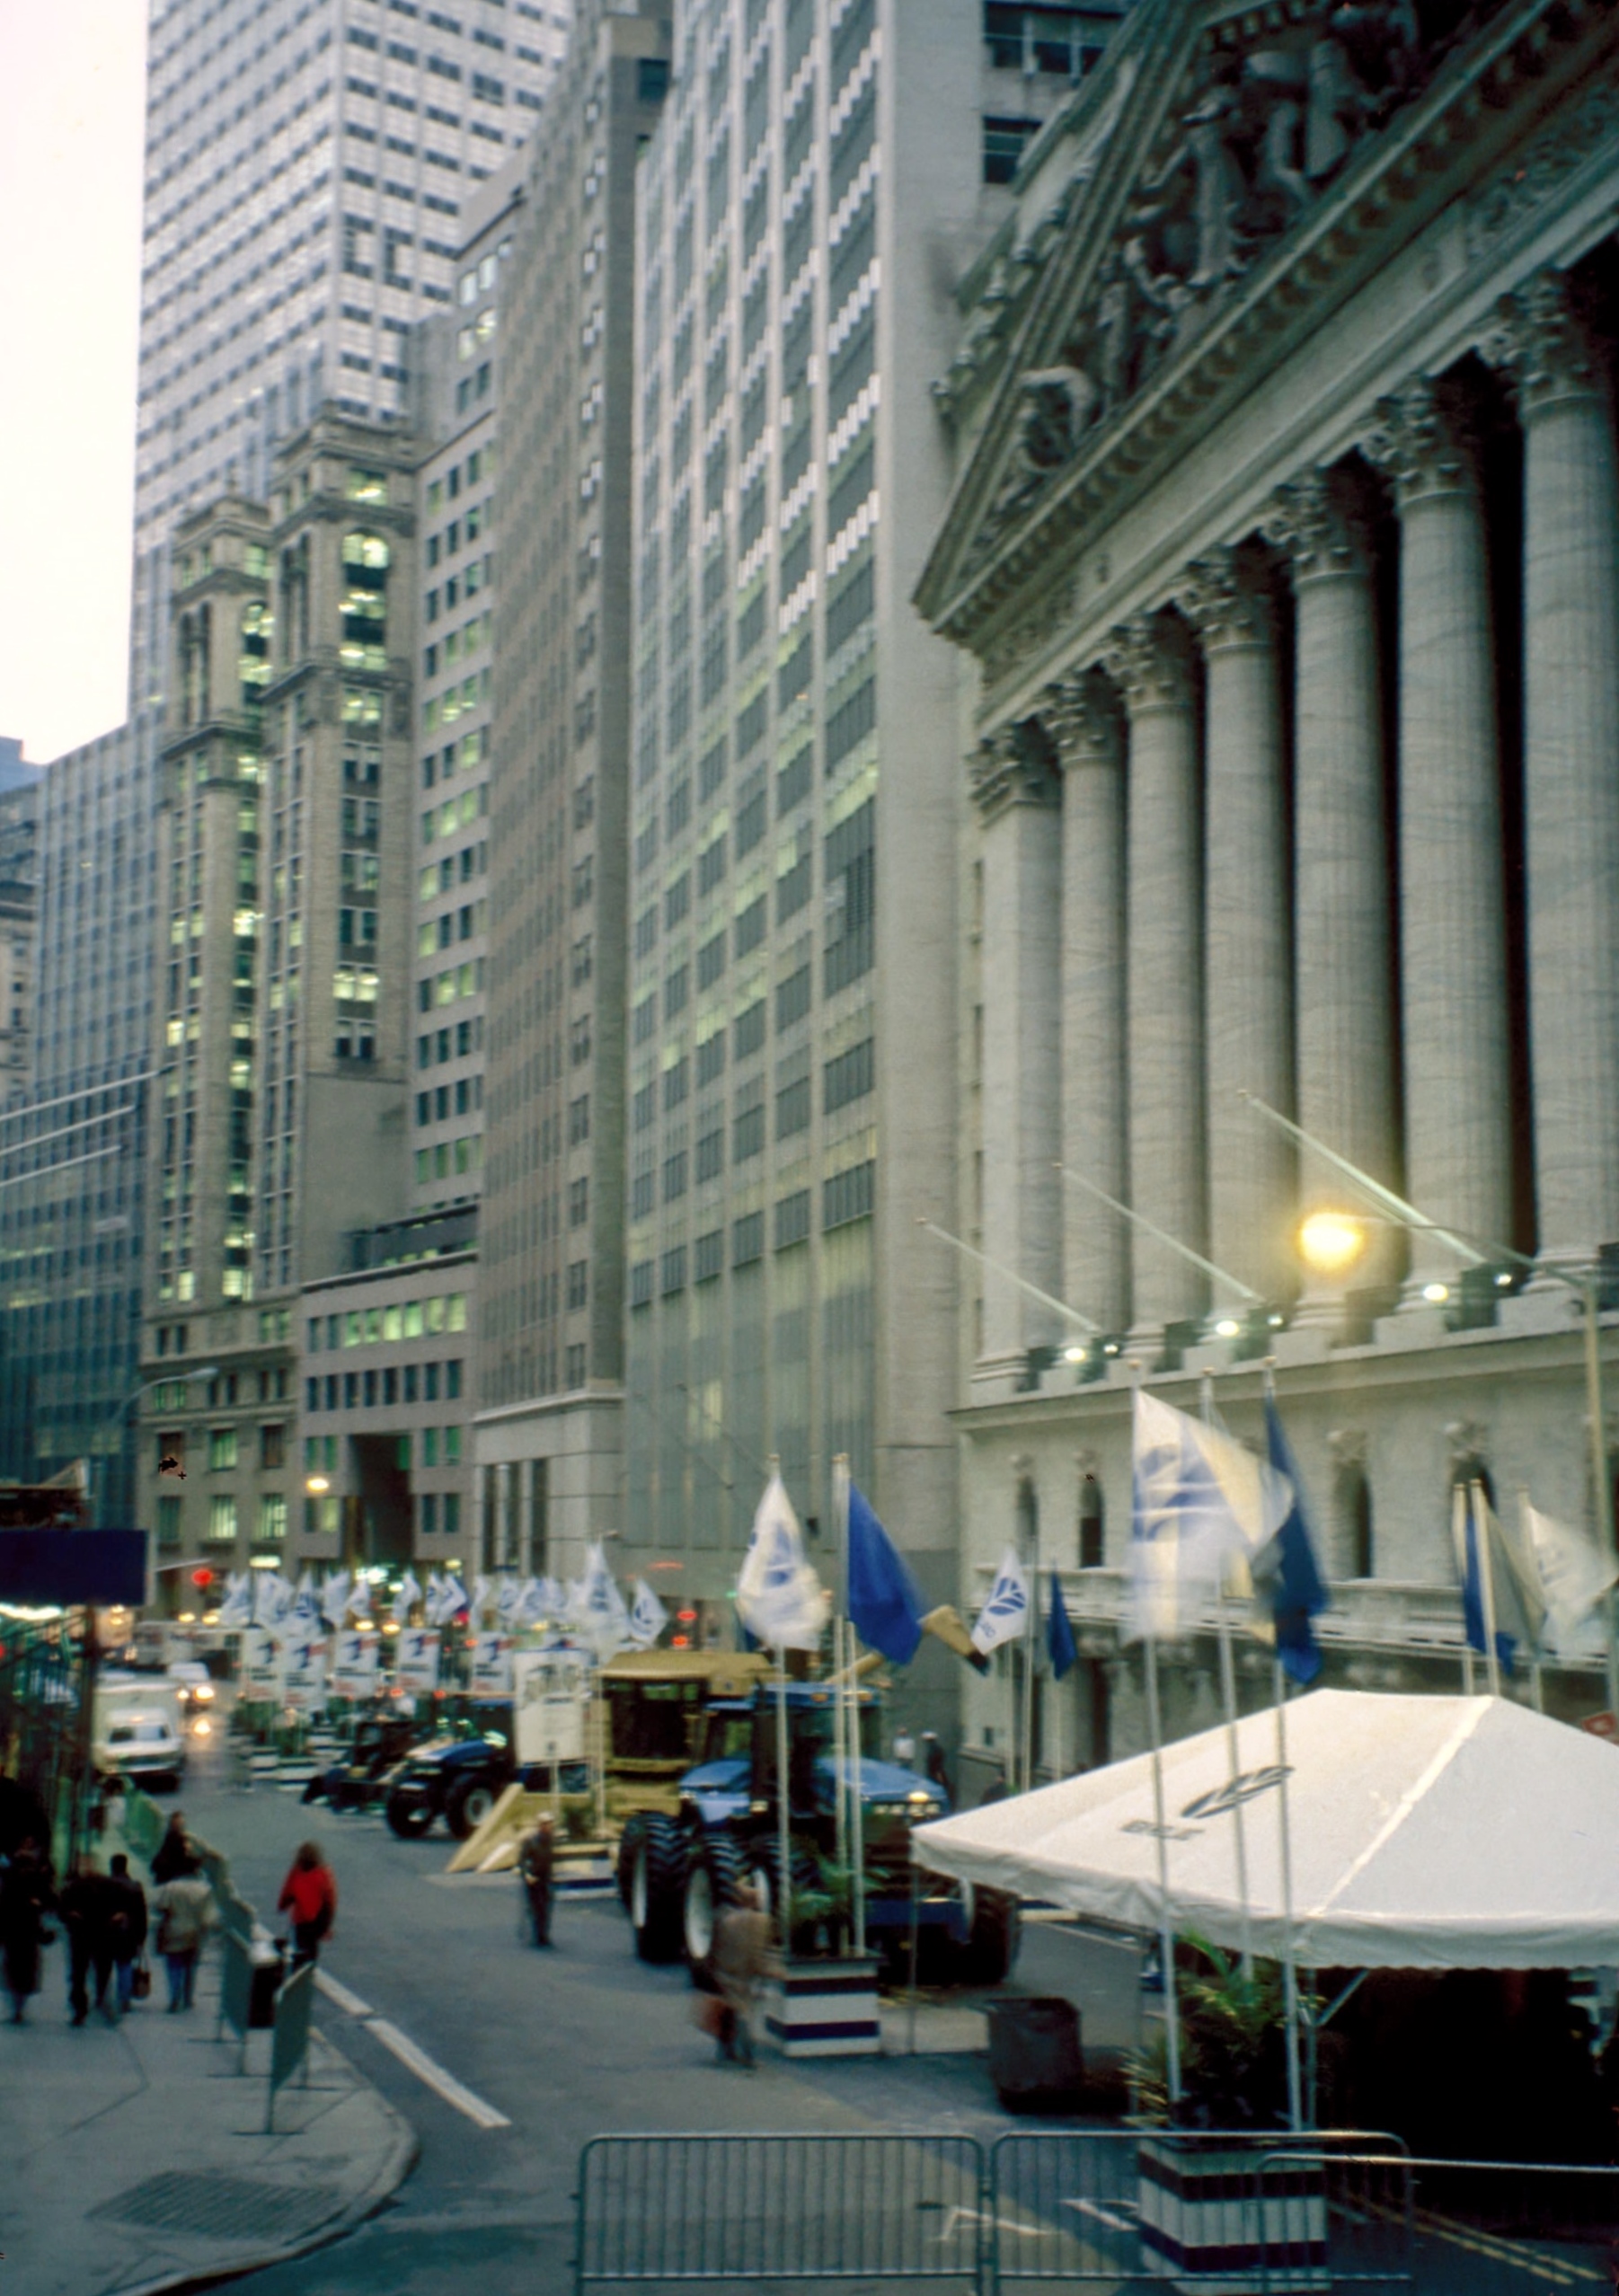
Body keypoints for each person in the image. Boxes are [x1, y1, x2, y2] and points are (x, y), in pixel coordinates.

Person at [711, 1881, 775, 2069]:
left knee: (728, 2011)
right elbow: (761, 1950)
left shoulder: (724, 1918)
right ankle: (747, 2053)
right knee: (746, 2013)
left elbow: (717, 1947)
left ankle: (725, 2049)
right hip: (747, 1974)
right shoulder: (762, 1922)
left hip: (726, 1972)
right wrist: (764, 1969)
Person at [0, 1838, 57, 2026]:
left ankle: (16, 2004)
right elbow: (50, 1900)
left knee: (12, 1967)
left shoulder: (10, 1879)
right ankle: (20, 2004)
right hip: (29, 1930)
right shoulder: (35, 1880)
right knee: (25, 1968)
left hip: (11, 1930)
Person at [60, 1858, 117, 2027]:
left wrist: (69, 1915)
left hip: (84, 1934)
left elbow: (62, 1910)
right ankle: (91, 2001)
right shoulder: (105, 1886)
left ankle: (83, 2005)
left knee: (81, 1973)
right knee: (91, 1971)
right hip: (97, 1934)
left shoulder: (76, 1886)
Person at [153, 1855, 213, 2011]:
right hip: (195, 1931)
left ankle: (174, 1997)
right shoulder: (205, 1889)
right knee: (191, 1966)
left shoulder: (172, 1887)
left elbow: (161, 1907)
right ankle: (188, 1998)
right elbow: (209, 1917)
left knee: (174, 1964)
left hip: (174, 1928)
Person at [278, 1841, 338, 1968]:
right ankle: (309, 1968)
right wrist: (327, 1925)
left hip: (302, 1920)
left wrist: (283, 1905)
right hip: (318, 1919)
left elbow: (287, 1892)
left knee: (302, 1946)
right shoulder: (324, 1873)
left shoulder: (296, 1872)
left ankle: (302, 1968)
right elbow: (330, 1900)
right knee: (312, 1947)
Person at [106, 1854, 148, 2016]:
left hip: (108, 1932)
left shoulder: (106, 1886)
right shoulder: (135, 1887)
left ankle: (103, 1996)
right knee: (125, 1966)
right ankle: (124, 1998)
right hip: (128, 1934)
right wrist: (141, 1937)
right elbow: (141, 1915)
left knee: (105, 1967)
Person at [150, 1812, 194, 1885]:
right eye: (179, 1823)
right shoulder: (175, 1839)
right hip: (169, 1876)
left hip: (164, 1876)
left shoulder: (170, 1837)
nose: (182, 1824)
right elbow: (181, 1858)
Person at [921, 1732, 951, 1800]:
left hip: (934, 1772)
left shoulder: (933, 1749)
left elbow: (935, 1761)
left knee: (937, 1786)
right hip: (935, 1771)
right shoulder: (936, 1748)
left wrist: (938, 1772)